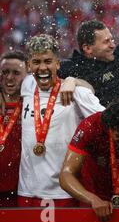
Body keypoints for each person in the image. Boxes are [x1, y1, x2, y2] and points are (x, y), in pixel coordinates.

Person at [18, 34, 104, 207]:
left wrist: (74, 81)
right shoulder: (26, 85)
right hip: (26, 191)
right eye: (36, 62)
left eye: (48, 61)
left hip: (63, 192)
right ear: (28, 66)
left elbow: (110, 118)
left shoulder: (76, 93)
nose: (42, 68)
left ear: (58, 63)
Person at [60, 98, 119, 222]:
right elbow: (66, 174)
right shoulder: (91, 126)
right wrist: (92, 199)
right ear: (109, 127)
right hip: (93, 196)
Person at [0, 51, 27, 207]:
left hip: (21, 189)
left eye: (16, 73)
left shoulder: (32, 104)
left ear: (27, 75)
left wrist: (71, 81)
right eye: (5, 72)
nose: (9, 77)